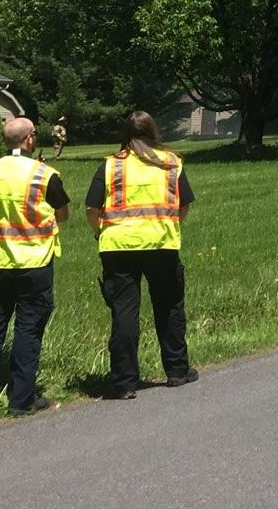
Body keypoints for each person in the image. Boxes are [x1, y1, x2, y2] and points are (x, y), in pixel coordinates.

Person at [84, 111, 196, 399]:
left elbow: (91, 209)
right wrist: (168, 224)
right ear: (153, 132)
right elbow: (184, 205)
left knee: (124, 312)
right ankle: (177, 371)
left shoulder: (110, 166)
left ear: (125, 134)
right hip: (161, 244)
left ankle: (124, 382)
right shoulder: (171, 163)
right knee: (169, 307)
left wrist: (100, 232)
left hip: (118, 247)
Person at [0, 118, 70, 415]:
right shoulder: (43, 174)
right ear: (29, 140)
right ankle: (21, 399)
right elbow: (62, 213)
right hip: (34, 261)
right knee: (28, 329)